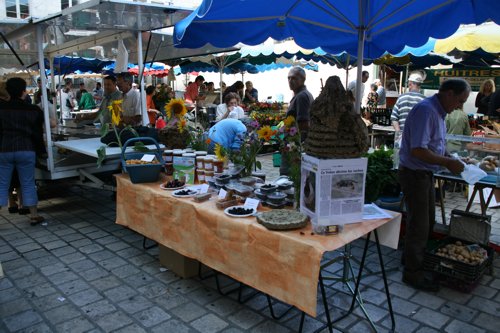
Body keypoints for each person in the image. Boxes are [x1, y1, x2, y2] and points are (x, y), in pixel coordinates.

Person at [398, 79, 470, 291]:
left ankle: (410, 260)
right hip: (414, 174)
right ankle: (412, 273)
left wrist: (451, 157)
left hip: (423, 173)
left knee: (425, 221)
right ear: (448, 93)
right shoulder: (427, 111)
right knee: (420, 224)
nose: (459, 106)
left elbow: (433, 146)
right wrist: (448, 162)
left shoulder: (437, 113)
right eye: (459, 100)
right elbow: (418, 150)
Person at [0, 77, 46, 225]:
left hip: (5, 149)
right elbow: (38, 133)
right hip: (26, 149)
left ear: (8, 91)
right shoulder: (33, 110)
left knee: (2, 184)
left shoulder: (2, 109)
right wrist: (42, 151)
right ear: (23, 91)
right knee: (27, 182)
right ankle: (34, 215)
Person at [281, 67, 314, 175]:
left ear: (303, 79)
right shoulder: (301, 95)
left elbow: (304, 124)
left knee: (289, 174)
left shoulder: (302, 96)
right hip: (294, 144)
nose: (290, 81)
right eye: (289, 78)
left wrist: (296, 146)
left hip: (295, 145)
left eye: (294, 78)